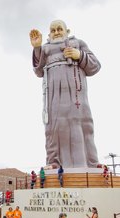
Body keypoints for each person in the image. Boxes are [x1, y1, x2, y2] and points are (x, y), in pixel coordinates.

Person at [30, 20, 101, 169]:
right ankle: (53, 163)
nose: (56, 32)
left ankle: (89, 165)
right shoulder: (45, 49)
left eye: (59, 29)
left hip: (76, 100)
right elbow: (38, 71)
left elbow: (95, 66)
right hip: (53, 100)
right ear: (49, 33)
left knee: (82, 128)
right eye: (53, 30)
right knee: (53, 129)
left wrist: (79, 55)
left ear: (67, 31)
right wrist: (37, 48)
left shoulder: (78, 43)